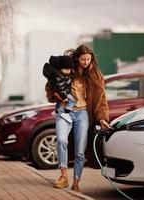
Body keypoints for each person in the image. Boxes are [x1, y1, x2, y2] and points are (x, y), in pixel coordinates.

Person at [45, 44, 110, 193]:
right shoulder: (67, 69)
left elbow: (101, 101)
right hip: (65, 111)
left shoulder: (95, 77)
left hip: (83, 114)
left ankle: (76, 181)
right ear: (77, 58)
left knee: (80, 151)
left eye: (88, 59)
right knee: (61, 140)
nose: (86, 62)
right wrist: (56, 97)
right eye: (83, 59)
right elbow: (50, 85)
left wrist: (102, 118)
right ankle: (63, 176)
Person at [43, 55, 75, 123]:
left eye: (69, 69)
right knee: (72, 100)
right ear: (60, 68)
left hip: (61, 97)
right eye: (66, 69)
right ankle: (66, 113)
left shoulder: (61, 75)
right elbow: (60, 88)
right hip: (63, 96)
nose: (68, 71)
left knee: (59, 104)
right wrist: (64, 97)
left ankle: (57, 111)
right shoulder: (59, 77)